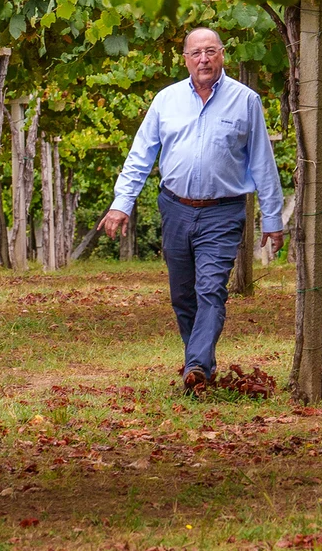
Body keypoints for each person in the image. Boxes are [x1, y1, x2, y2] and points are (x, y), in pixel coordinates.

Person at [101, 27, 285, 396]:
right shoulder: (165, 101)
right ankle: (197, 367)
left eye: (211, 51)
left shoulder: (245, 100)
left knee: (211, 290)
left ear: (222, 55)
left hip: (223, 211)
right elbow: (141, 156)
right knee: (182, 295)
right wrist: (122, 204)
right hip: (176, 209)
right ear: (184, 59)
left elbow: (263, 162)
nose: (204, 59)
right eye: (196, 53)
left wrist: (273, 217)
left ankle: (197, 364)